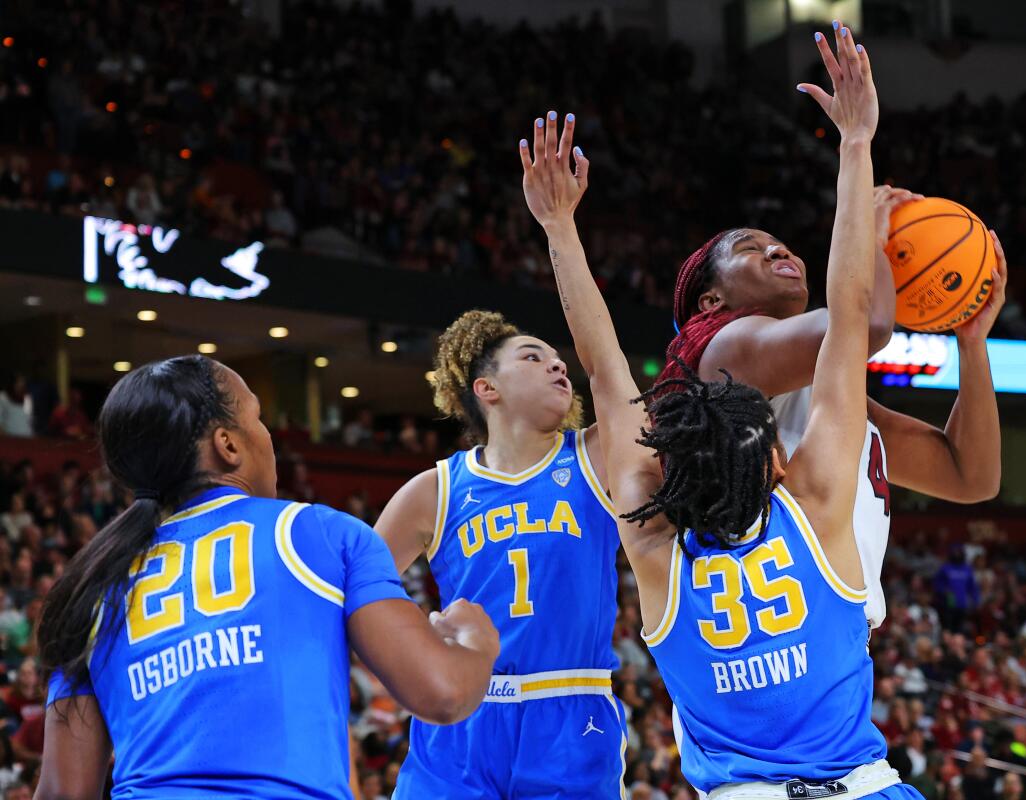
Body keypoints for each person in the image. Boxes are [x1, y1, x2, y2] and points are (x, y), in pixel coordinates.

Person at [525, 24, 920, 799]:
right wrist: (855, 143)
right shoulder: (816, 515)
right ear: (777, 462)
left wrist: (559, 229)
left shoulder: (660, 554)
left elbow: (606, 371)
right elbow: (849, 316)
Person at [35, 355, 498, 799]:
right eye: (258, 418)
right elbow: (442, 694)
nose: (267, 436)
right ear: (228, 445)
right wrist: (476, 642)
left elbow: (63, 791)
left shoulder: (93, 587)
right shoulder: (316, 531)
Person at [661, 93, 1005, 636]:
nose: (779, 252)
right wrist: (867, 227)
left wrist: (971, 341)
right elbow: (864, 323)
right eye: (752, 249)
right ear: (711, 302)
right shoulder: (724, 350)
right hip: (772, 638)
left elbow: (971, 476)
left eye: (782, 245)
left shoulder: (825, 398)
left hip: (833, 643)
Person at [375, 306, 625, 789]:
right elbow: (355, 594)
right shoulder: (436, 489)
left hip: (569, 708)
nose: (557, 365)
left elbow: (609, 370)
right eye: (533, 357)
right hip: (464, 706)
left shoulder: (595, 457)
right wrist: (416, 659)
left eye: (558, 361)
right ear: (487, 389)